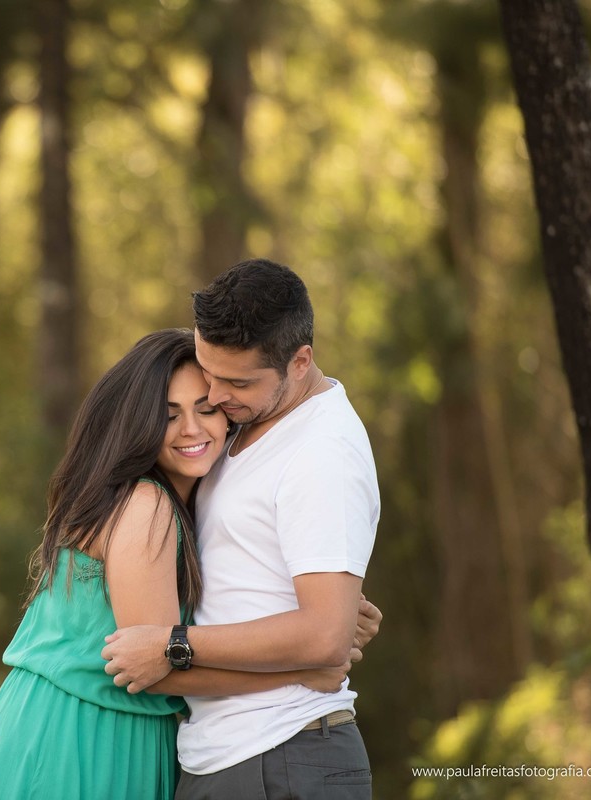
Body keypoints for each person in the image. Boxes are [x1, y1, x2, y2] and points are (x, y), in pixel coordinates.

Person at [0, 328, 378, 799]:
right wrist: (304, 668)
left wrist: (327, 621)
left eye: (206, 409)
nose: (192, 429)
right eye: (169, 415)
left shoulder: (188, 504)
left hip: (103, 728)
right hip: (83, 735)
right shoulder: (148, 506)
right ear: (138, 424)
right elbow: (159, 673)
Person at [102, 259, 382, 798]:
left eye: (237, 381)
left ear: (300, 362)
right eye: (210, 372)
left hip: (283, 752)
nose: (215, 394)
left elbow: (326, 637)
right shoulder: (243, 425)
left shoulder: (323, 452)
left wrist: (172, 645)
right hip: (226, 755)